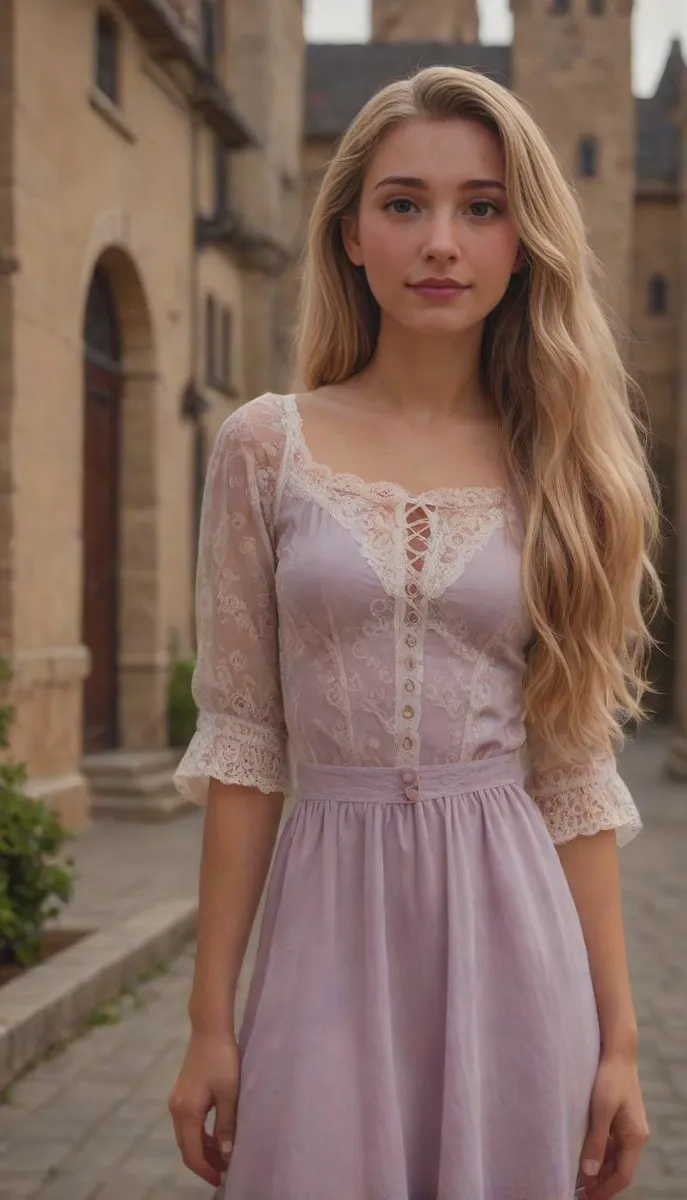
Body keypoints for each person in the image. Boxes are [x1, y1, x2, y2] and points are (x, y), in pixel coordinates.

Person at [168, 66, 662, 1200]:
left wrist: (623, 1042)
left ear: (522, 239)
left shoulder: (567, 469)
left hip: (514, 939)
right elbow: (245, 748)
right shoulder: (266, 446)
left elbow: (575, 773)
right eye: (404, 204)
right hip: (323, 931)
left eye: (481, 207)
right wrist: (208, 1021)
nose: (442, 240)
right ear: (349, 232)